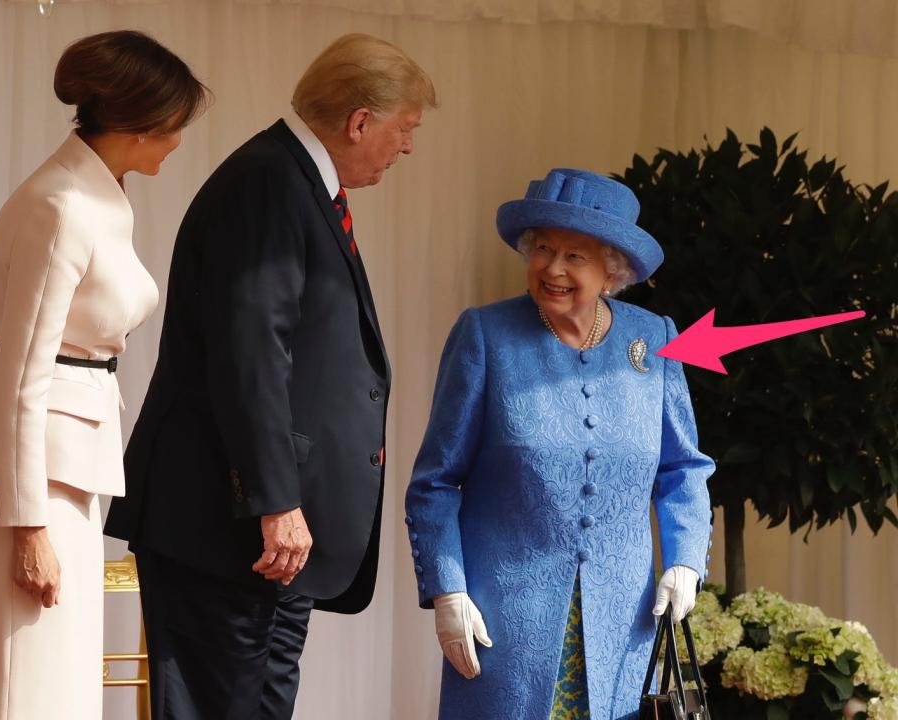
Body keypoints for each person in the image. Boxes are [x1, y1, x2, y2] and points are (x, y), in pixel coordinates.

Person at [104, 32, 437, 719]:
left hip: (267, 543)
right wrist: (276, 503)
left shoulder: (293, 181)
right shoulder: (266, 183)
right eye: (405, 129)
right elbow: (250, 353)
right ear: (360, 121)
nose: (407, 147)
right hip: (230, 529)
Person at [0, 30, 208, 720]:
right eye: (177, 124)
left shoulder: (96, 194)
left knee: (53, 687)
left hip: (64, 460)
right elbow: (22, 372)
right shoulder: (61, 206)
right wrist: (26, 525)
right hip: (33, 473)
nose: (181, 138)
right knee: (25, 689)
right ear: (142, 124)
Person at [404, 168, 716, 720]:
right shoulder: (485, 335)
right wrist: (446, 590)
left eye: (575, 256)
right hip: (502, 624)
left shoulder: (655, 339)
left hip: (621, 626)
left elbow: (683, 469)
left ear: (611, 270)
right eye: (543, 248)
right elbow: (435, 482)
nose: (553, 268)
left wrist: (686, 559)